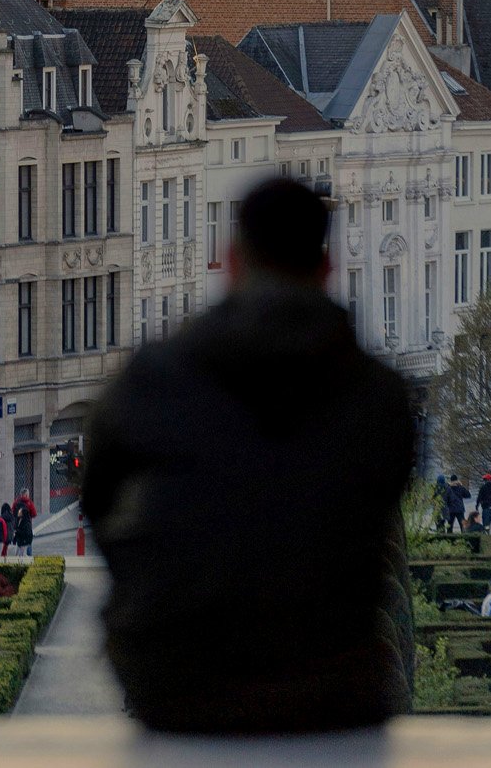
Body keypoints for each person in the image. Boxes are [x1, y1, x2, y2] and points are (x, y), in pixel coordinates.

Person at [81, 177, 415, 734]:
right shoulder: (380, 396)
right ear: (325, 270)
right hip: (330, 686)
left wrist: (149, 582)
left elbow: (97, 499)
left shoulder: (154, 378)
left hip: (179, 678)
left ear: (231, 261)